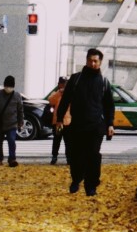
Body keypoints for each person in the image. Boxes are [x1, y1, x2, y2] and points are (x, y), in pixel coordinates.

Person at [57, 50, 114, 197]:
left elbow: (109, 105)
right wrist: (59, 119)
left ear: (100, 62)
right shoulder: (76, 79)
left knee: (93, 156)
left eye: (95, 61)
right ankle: (76, 180)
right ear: (86, 60)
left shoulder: (104, 82)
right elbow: (65, 100)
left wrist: (110, 124)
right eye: (90, 60)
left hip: (96, 126)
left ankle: (91, 186)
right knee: (76, 155)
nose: (92, 63)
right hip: (77, 125)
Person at [0, 75, 22, 167]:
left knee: (11, 141)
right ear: (4, 85)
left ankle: (12, 159)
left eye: (10, 86)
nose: (8, 88)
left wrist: (20, 122)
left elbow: (20, 110)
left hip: (12, 123)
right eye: (7, 86)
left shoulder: (17, 95)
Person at [46, 75, 69, 166]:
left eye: (65, 83)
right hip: (58, 123)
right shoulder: (56, 93)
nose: (64, 85)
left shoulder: (70, 93)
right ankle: (54, 156)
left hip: (68, 122)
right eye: (62, 83)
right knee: (57, 140)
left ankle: (69, 158)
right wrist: (59, 92)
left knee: (68, 141)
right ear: (59, 84)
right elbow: (50, 100)